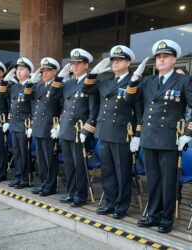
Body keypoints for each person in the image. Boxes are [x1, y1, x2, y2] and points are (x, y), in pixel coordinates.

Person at [125, 39, 192, 233]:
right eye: (159, 57)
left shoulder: (183, 81)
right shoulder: (148, 81)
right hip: (148, 136)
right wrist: (134, 78)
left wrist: (188, 132)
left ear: (174, 60)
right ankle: (153, 214)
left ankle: (166, 218)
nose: (161, 60)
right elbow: (130, 99)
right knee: (153, 179)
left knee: (168, 180)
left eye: (166, 56)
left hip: (170, 138)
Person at [82, 45, 143, 219]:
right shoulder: (106, 81)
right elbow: (86, 89)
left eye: (119, 60)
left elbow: (140, 111)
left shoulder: (134, 81)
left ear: (128, 62)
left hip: (122, 134)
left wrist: (137, 135)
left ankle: (121, 206)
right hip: (104, 132)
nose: (115, 63)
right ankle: (109, 202)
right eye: (113, 60)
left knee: (122, 172)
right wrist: (93, 73)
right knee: (107, 171)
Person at [55, 48, 99, 207]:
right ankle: (70, 192)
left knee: (80, 165)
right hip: (66, 129)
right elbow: (55, 97)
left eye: (78, 63)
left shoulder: (91, 83)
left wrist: (86, 131)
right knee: (69, 165)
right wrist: (60, 76)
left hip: (80, 131)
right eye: (72, 63)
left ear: (86, 65)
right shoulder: (68, 83)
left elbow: (93, 111)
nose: (74, 66)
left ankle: (80, 195)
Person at [30, 57, 63, 195]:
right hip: (38, 127)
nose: (45, 73)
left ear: (55, 71)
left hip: (49, 128)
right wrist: (32, 80)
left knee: (49, 159)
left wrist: (58, 125)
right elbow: (28, 99)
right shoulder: (38, 86)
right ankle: (43, 183)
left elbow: (62, 107)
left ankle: (50, 186)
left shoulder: (58, 87)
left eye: (49, 70)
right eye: (43, 70)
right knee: (41, 159)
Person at [2, 57, 34, 185]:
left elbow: (32, 105)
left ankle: (25, 178)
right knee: (16, 152)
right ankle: (18, 177)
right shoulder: (14, 87)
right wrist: (5, 81)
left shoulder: (31, 86)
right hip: (14, 123)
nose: (18, 72)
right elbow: (3, 96)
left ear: (28, 72)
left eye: (22, 69)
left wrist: (31, 124)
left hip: (24, 124)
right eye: (17, 70)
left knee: (24, 152)